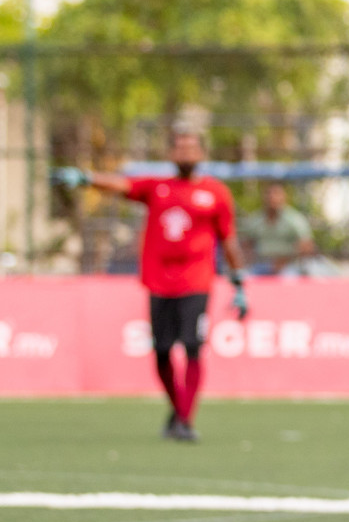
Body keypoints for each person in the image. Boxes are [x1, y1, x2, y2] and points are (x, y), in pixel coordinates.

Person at [52, 128, 247, 442]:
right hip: (159, 284)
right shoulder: (157, 188)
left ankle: (184, 420)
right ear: (171, 154)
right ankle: (177, 410)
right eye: (180, 148)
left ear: (201, 154)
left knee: (193, 349)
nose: (185, 154)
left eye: (191, 148)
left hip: (196, 282)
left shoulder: (216, 193)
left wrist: (239, 283)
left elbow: (229, 239)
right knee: (162, 352)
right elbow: (120, 184)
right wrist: (87, 178)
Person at [243, 182, 314, 275]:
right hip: (260, 264)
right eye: (268, 193)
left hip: (288, 265)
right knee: (244, 278)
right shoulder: (255, 219)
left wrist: (284, 260)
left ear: (284, 196)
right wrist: (247, 261)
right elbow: (246, 245)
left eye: (276, 193)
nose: (272, 197)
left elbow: (307, 245)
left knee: (289, 277)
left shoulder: (295, 219)